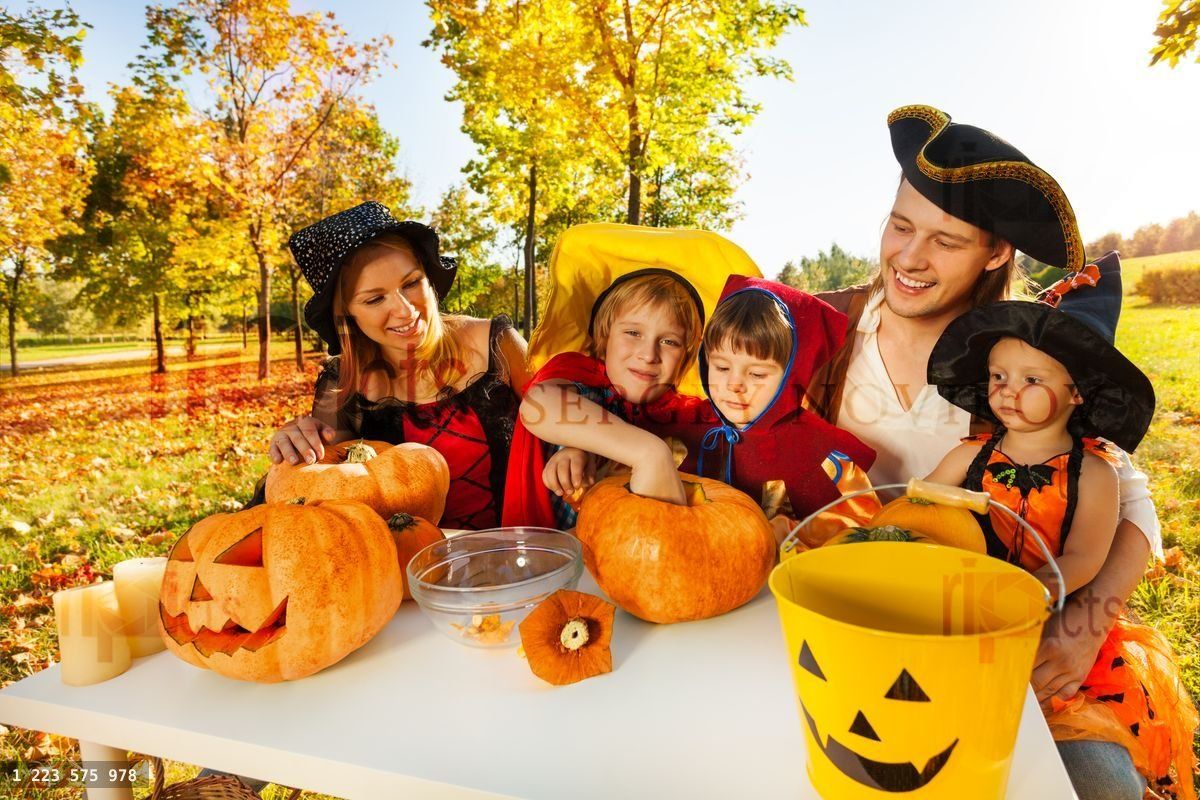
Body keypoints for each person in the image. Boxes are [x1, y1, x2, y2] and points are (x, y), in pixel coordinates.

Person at [805, 104, 1171, 799]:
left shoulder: (1029, 355)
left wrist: (1084, 623)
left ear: (996, 252)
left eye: (946, 240)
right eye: (901, 225)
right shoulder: (822, 326)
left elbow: (1130, 507)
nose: (910, 258)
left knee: (1094, 789)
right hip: (858, 615)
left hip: (1010, 630)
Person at [925, 254, 1196, 800]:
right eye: (998, 377)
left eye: (1030, 380)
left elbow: (1085, 557)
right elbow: (923, 501)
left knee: (1083, 755)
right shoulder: (970, 456)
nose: (1006, 391)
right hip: (968, 610)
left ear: (1076, 392)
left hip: (1051, 611)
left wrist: (1033, 592)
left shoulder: (1094, 472)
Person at [269, 201, 531, 530]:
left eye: (410, 283)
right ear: (347, 312)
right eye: (375, 299)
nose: (405, 310)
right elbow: (327, 496)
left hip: (526, 551)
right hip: (412, 567)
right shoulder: (343, 385)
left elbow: (565, 418)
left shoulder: (495, 342)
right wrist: (296, 448)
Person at [502, 269, 707, 528]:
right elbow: (539, 404)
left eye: (669, 341)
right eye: (633, 333)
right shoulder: (580, 378)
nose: (648, 354)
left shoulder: (687, 417)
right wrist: (647, 453)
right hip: (561, 557)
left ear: (685, 359)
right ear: (605, 336)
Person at [676, 275, 876, 541]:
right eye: (722, 367)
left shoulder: (821, 453)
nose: (734, 384)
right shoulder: (682, 424)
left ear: (792, 375)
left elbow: (860, 527)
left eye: (757, 374)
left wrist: (794, 532)